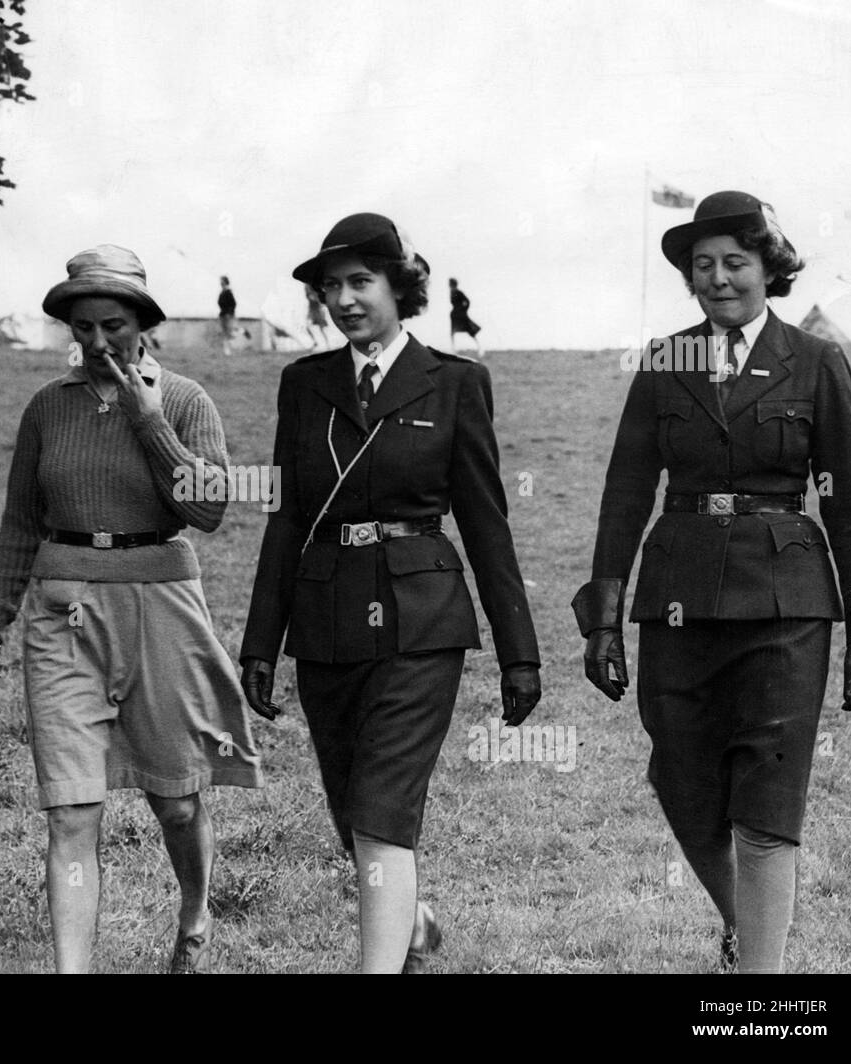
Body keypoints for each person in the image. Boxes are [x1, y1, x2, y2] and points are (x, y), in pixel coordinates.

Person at [573, 190, 851, 973]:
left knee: (767, 803)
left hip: (788, 603)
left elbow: (849, 503)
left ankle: (760, 986)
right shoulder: (665, 359)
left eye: (735, 262)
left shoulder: (815, 361)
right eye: (702, 266)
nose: (718, 279)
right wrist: (603, 617)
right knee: (681, 780)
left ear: (767, 268)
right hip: (678, 599)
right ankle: (747, 927)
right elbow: (625, 491)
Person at [239, 213, 541, 973]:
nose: (343, 299)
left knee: (380, 806)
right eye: (329, 287)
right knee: (352, 809)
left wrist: (520, 655)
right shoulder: (302, 386)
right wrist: (259, 645)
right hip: (326, 616)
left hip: (422, 621)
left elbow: (486, 522)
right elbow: (287, 518)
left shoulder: (456, 382)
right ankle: (407, 918)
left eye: (360, 282)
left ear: (399, 288)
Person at [0, 244, 262, 973]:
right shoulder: (47, 408)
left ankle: (194, 917)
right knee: (70, 809)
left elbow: (212, 511)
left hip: (161, 605)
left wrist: (149, 423)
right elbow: (19, 522)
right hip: (62, 610)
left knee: (179, 801)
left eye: (114, 325)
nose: (98, 342)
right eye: (83, 327)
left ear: (143, 325)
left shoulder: (187, 400)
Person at [449, 277, 484, 357]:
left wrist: (463, 310)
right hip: (455, 315)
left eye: (450, 284)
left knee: (470, 331)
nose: (450, 286)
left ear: (453, 284)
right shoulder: (451, 292)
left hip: (460, 315)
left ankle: (480, 348)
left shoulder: (458, 292)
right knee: (452, 332)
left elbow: (467, 301)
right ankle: (453, 350)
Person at [304, 285, 330, 349]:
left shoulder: (313, 287)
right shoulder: (307, 286)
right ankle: (315, 342)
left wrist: (322, 308)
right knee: (308, 326)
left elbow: (318, 299)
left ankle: (327, 344)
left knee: (322, 329)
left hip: (317, 311)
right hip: (312, 310)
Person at [217, 275, 237, 356]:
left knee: (228, 333)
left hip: (227, 316)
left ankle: (229, 350)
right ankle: (226, 350)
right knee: (224, 333)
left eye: (222, 281)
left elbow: (233, 304)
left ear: (225, 282)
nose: (220, 282)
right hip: (222, 315)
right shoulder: (222, 292)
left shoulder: (228, 292)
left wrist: (229, 313)